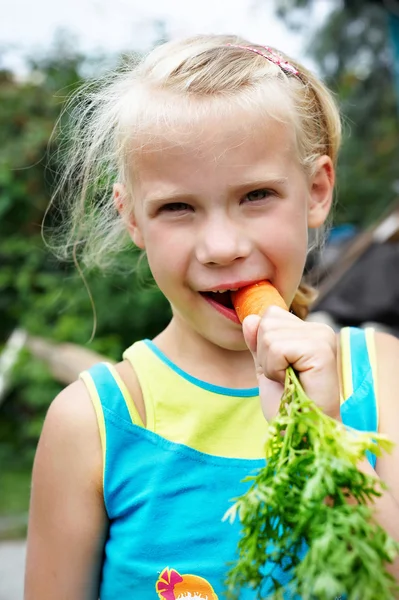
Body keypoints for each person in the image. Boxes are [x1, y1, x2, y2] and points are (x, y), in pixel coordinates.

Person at [24, 35, 399, 600]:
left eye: (256, 195)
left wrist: (323, 438)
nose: (221, 246)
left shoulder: (383, 376)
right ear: (133, 219)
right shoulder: (91, 425)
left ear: (317, 191)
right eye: (177, 207)